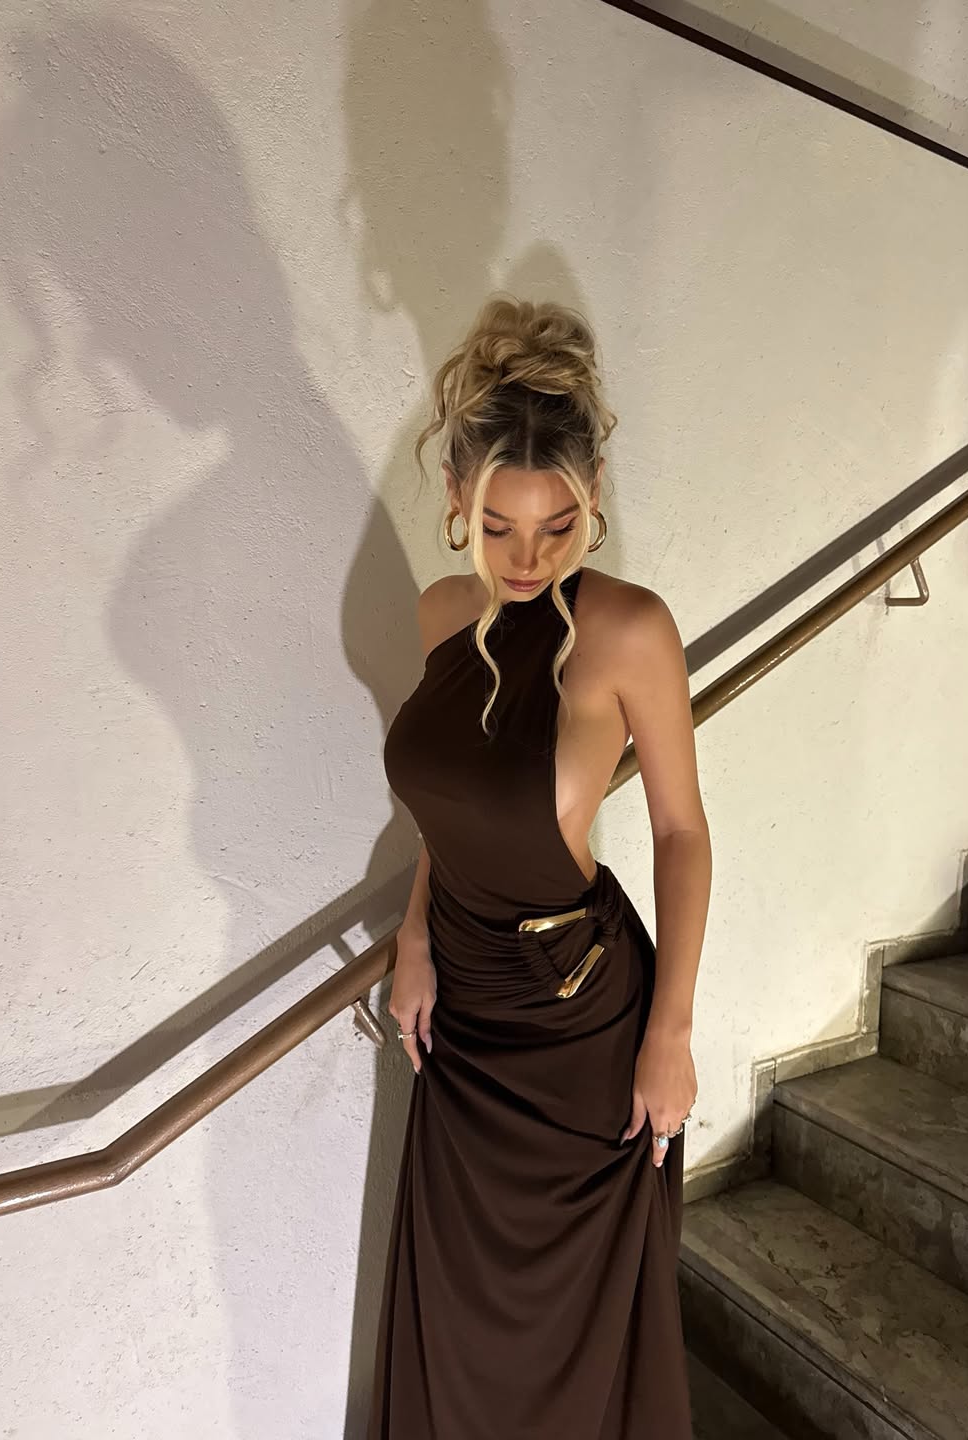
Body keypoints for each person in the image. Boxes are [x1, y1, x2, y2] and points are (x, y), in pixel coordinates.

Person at [370, 294, 712, 1438]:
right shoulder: (438, 614)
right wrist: (415, 937)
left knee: (575, 1334)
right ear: (456, 496)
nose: (529, 559)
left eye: (559, 526)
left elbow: (681, 833)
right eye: (500, 527)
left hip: (581, 1030)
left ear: (593, 496)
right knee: (460, 1314)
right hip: (463, 1020)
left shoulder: (630, 631)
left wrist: (669, 1034)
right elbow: (452, 812)